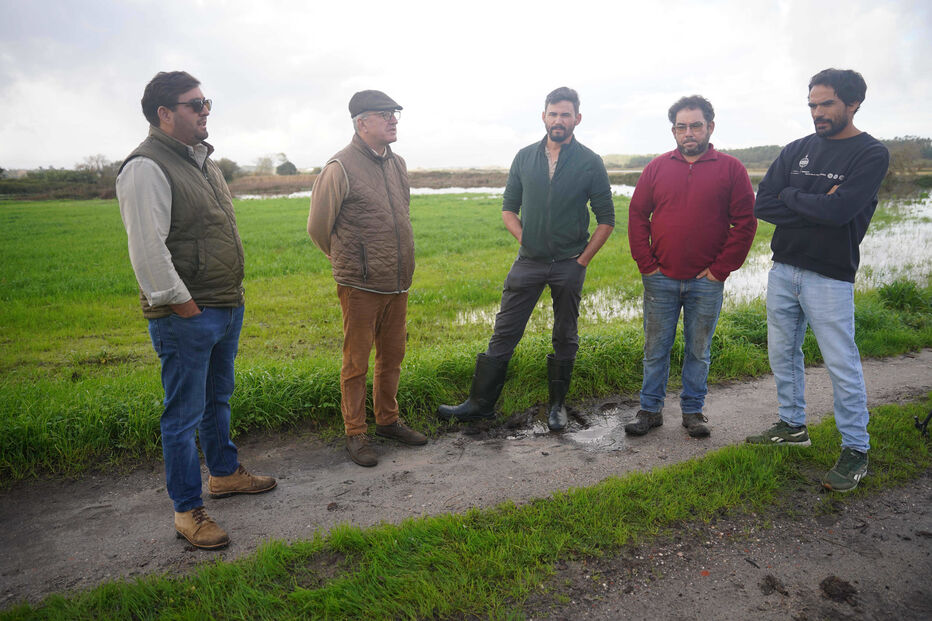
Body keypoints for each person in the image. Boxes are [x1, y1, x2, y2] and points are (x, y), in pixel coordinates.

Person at [116, 71, 276, 550]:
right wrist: (182, 305)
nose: (205, 109)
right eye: (194, 104)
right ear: (164, 114)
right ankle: (188, 511)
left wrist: (225, 298)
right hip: (187, 313)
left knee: (217, 398)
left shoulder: (204, 162)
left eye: (207, 101)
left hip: (224, 304)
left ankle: (224, 474)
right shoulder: (145, 166)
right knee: (182, 417)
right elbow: (147, 249)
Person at [437, 87, 615, 431]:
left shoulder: (590, 162)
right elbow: (508, 209)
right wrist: (527, 240)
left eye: (565, 114)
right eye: (553, 113)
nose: (558, 120)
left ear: (577, 118)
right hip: (528, 262)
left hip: (569, 263)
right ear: (543, 116)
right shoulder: (524, 157)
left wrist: (581, 262)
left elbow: (606, 219)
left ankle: (558, 407)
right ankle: (480, 404)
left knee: (565, 334)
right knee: (504, 330)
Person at [746, 68, 890, 492]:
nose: (817, 112)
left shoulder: (870, 154)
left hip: (830, 275)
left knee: (841, 363)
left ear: (853, 103)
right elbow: (764, 204)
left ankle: (856, 450)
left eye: (826, 103)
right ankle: (792, 426)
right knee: (782, 354)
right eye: (812, 104)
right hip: (784, 268)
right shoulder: (797, 149)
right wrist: (807, 201)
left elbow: (839, 212)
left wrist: (794, 198)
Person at [308, 90, 427, 468]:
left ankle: (388, 421)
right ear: (362, 123)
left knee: (392, 356)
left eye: (395, 114)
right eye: (384, 114)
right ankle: (356, 433)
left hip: (397, 281)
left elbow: (401, 212)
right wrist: (348, 261)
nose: (393, 120)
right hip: (359, 285)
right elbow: (317, 227)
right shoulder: (339, 168)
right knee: (356, 361)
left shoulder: (398, 164)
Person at [626, 96, 757, 438]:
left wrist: (719, 270)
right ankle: (650, 410)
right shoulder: (656, 168)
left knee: (699, 349)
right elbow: (638, 215)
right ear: (673, 131)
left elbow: (745, 223)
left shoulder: (731, 169)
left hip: (706, 282)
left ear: (710, 127)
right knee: (655, 348)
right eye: (681, 127)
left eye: (695, 125)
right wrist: (647, 265)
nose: (688, 133)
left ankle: (693, 411)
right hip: (661, 279)